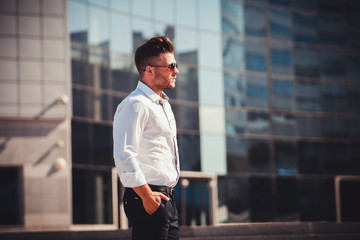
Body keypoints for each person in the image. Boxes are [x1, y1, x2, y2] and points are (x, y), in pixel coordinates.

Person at [113, 36, 180, 240]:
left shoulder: (163, 105)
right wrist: (147, 196)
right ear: (149, 70)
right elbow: (124, 154)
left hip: (165, 200)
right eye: (171, 66)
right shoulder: (136, 104)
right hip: (147, 198)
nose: (176, 71)